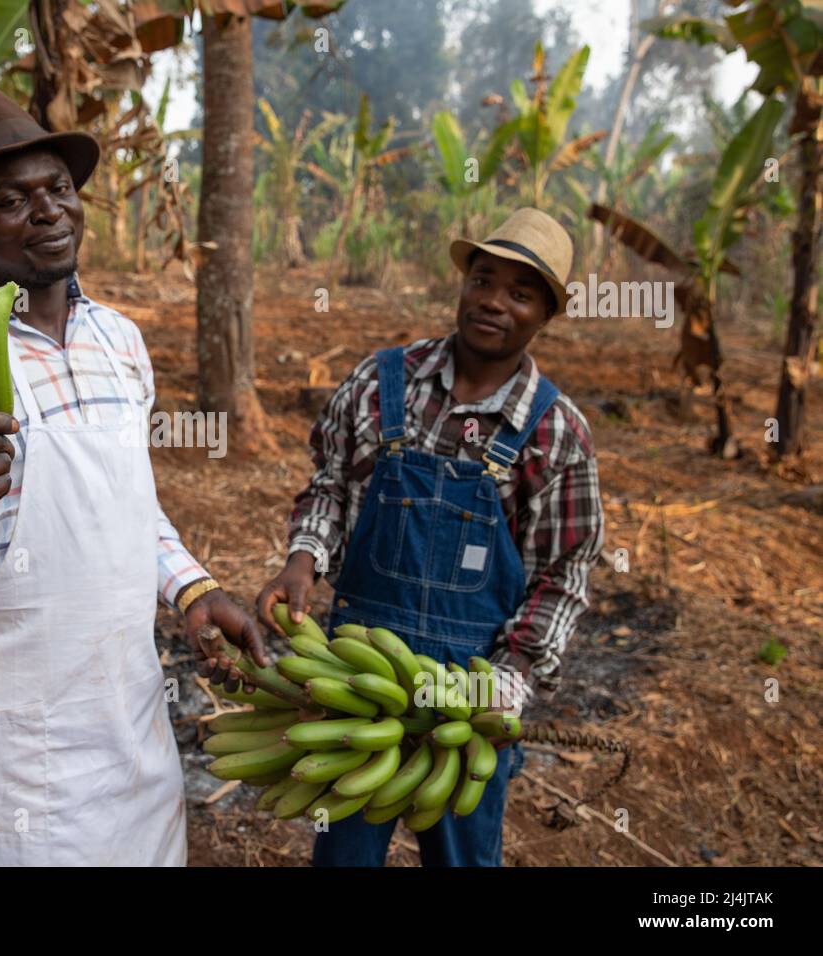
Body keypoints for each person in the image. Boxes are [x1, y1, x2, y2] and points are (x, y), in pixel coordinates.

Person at [0, 91, 266, 866]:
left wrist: (194, 591)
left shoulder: (119, 341)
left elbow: (128, 507)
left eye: (59, 190)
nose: (47, 212)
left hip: (129, 713)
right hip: (10, 741)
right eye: (11, 200)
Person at [252, 207, 605, 866]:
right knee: (344, 856)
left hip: (475, 689)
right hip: (359, 679)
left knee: (464, 858)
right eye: (484, 279)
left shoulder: (556, 432)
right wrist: (304, 558)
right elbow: (328, 486)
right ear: (464, 282)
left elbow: (565, 575)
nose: (494, 302)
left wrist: (516, 674)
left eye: (521, 293)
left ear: (546, 314)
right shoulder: (381, 383)